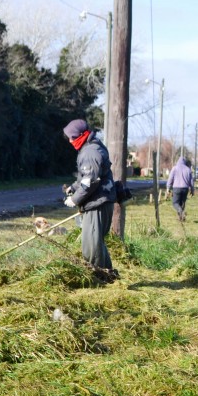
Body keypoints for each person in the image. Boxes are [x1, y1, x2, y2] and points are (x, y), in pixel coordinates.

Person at [62, 118, 118, 281]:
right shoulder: (91, 147)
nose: (71, 141)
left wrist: (75, 199)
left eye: (72, 137)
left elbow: (90, 181)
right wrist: (74, 186)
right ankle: (109, 277)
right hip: (99, 201)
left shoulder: (90, 152)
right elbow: (86, 176)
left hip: (97, 204)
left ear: (82, 135)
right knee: (96, 243)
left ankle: (97, 279)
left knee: (91, 246)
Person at [166, 156, 195, 222]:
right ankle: (181, 218)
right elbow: (191, 181)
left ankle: (181, 212)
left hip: (176, 188)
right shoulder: (188, 169)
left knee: (175, 203)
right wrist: (192, 190)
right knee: (182, 203)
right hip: (185, 188)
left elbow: (170, 179)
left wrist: (168, 188)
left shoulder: (175, 168)